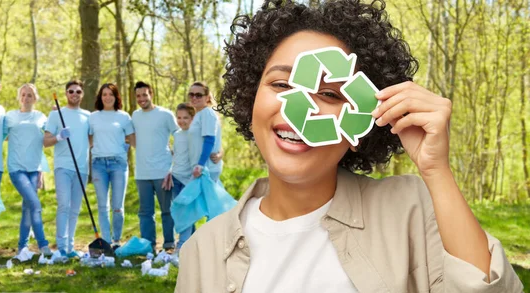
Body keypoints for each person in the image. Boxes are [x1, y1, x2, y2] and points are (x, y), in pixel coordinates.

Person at [175, 1, 524, 292]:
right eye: (282, 84)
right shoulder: (200, 253)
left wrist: (437, 171)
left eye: (330, 94)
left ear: (364, 118)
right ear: (251, 100)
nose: (303, 110)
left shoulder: (411, 210)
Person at [44, 80, 90, 258]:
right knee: (64, 205)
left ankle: (70, 247)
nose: (74, 94)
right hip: (63, 166)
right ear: (66, 94)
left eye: (78, 91)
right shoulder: (56, 115)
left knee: (75, 209)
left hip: (82, 168)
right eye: (71, 91)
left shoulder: (88, 116)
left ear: (82, 94)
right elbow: (46, 141)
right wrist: (59, 137)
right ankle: (61, 246)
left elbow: (91, 139)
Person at [130, 81, 179, 251]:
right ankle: (148, 245)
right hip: (141, 173)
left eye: (145, 95)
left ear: (151, 93)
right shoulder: (134, 116)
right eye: (138, 96)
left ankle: (169, 243)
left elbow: (179, 136)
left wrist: (175, 163)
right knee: (145, 213)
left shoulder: (165, 114)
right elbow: (131, 138)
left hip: (163, 172)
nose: (141, 99)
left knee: (167, 210)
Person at [4, 83, 52, 256]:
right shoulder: (10, 117)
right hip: (17, 168)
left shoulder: (41, 117)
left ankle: (22, 247)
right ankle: (43, 245)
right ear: (19, 97)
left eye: (30, 95)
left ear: (35, 98)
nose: (26, 98)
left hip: (34, 168)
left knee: (28, 207)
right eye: (23, 94)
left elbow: (47, 138)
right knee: (35, 204)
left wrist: (55, 115)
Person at [89, 83, 134, 249]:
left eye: (110, 94)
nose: (107, 97)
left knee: (117, 206)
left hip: (118, 164)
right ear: (100, 97)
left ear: (116, 97)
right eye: (104, 94)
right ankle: (106, 241)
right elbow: (86, 138)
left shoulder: (123, 117)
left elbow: (133, 139)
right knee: (102, 205)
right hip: (98, 163)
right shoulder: (93, 117)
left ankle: (116, 240)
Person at [165, 103, 196, 251]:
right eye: (179, 117)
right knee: (180, 213)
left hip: (189, 180)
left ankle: (182, 246)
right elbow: (176, 157)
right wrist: (170, 172)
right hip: (175, 179)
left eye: (186, 118)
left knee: (186, 214)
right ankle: (192, 244)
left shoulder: (195, 134)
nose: (182, 121)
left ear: (192, 118)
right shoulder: (176, 135)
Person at [187, 82, 224, 182]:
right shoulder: (199, 114)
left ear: (207, 98)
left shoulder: (207, 113)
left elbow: (210, 140)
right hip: (201, 168)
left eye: (198, 95)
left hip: (205, 169)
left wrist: (200, 165)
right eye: (191, 94)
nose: (194, 97)